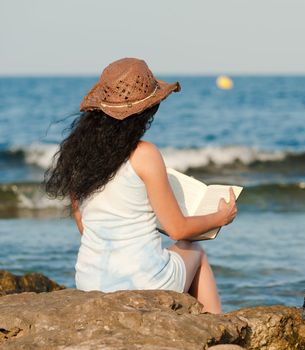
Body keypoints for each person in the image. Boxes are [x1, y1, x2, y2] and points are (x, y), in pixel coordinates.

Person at [45, 58, 237, 314]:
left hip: (90, 283)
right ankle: (216, 330)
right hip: (144, 283)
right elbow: (178, 230)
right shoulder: (144, 154)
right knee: (194, 250)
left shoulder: (78, 155)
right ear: (147, 110)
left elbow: (85, 226)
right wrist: (220, 217)